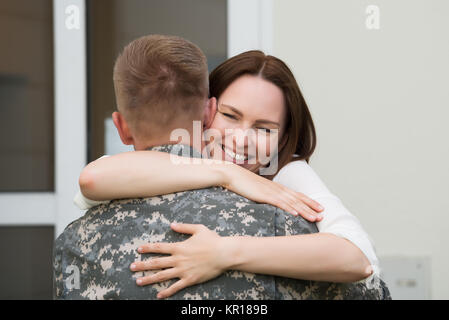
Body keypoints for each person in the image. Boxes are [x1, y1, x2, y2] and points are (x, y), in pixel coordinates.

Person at [55, 34, 390, 299]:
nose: (241, 139)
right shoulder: (163, 167)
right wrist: (226, 173)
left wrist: (225, 251)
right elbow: (94, 177)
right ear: (207, 110)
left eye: (264, 128)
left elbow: (357, 259)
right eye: (230, 116)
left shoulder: (288, 175)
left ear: (284, 140)